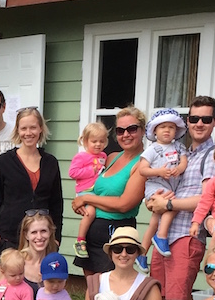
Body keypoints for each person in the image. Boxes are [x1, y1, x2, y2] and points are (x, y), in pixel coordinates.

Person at [145, 96, 215, 300]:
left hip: (186, 236)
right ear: (187, 122)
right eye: (194, 118)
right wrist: (154, 200)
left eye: (206, 119)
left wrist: (168, 204)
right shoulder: (180, 152)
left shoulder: (213, 156)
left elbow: (207, 198)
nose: (199, 123)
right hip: (164, 236)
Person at [71, 107, 148, 276]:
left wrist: (87, 200)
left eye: (132, 129)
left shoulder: (143, 164)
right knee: (92, 290)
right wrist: (80, 202)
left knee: (112, 294)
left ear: (143, 130)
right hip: (92, 234)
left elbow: (123, 204)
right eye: (120, 130)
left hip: (117, 236)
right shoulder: (112, 157)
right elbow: (93, 186)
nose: (125, 134)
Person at [0, 107, 64, 253]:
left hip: (41, 238)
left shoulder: (50, 162)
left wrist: (57, 235)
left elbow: (56, 203)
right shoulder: (4, 161)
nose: (28, 133)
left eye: (33, 128)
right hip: (9, 237)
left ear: (40, 128)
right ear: (17, 130)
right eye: (23, 128)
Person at [139, 109, 189, 267]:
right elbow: (143, 169)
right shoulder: (152, 149)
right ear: (155, 131)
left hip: (170, 186)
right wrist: (159, 171)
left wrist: (179, 169)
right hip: (155, 187)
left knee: (154, 221)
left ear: (176, 131)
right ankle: (161, 236)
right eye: (162, 127)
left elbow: (183, 162)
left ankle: (142, 254)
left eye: (171, 127)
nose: (167, 130)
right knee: (171, 206)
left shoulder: (180, 147)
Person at [69, 121, 109, 259]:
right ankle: (80, 240)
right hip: (85, 191)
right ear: (85, 141)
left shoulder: (104, 157)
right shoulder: (81, 156)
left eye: (101, 141)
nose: (98, 144)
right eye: (94, 141)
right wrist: (90, 170)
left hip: (97, 191)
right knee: (90, 212)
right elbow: (72, 173)